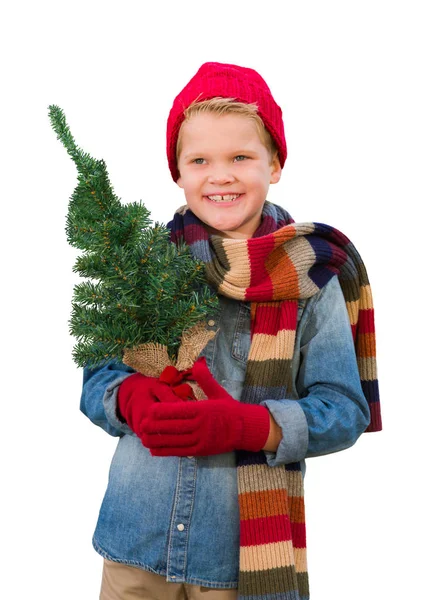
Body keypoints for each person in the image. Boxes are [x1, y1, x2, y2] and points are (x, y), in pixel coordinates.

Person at [80, 62, 381, 600]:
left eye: (241, 157)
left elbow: (344, 410)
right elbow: (97, 379)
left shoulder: (309, 276)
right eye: (199, 160)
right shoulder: (143, 263)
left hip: (239, 560)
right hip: (135, 541)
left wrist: (249, 426)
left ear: (276, 163)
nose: (220, 175)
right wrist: (127, 396)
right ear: (177, 172)